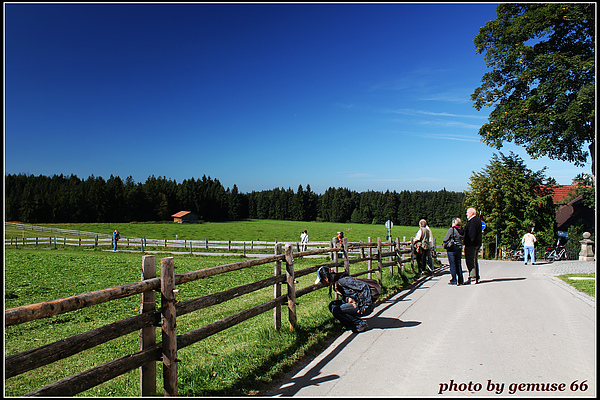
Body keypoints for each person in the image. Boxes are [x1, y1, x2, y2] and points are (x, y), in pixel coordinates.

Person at [315, 266, 373, 333]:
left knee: (337, 310)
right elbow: (348, 295)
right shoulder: (336, 283)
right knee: (332, 305)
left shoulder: (343, 281)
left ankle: (360, 323)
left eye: (321, 281)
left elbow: (364, 286)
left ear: (326, 279)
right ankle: (349, 324)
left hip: (364, 306)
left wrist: (365, 305)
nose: (322, 283)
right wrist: (341, 294)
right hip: (357, 303)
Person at [464, 208, 482, 284]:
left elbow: (471, 234)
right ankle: (476, 276)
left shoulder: (473, 221)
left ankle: (473, 277)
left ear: (471, 213)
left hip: (472, 244)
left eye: (467, 213)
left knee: (470, 260)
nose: (466, 214)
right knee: (474, 260)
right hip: (476, 243)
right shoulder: (477, 220)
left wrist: (469, 242)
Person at [443, 218, 464, 285]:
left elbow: (446, 238)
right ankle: (461, 280)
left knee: (452, 264)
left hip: (452, 248)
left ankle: (454, 279)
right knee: (458, 264)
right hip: (459, 248)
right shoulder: (462, 230)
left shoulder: (452, 230)